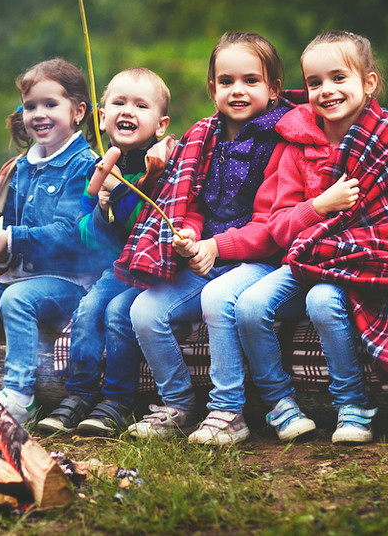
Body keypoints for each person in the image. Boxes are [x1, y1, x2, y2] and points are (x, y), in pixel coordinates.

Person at [116, 32, 293, 439]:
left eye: (251, 81)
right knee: (145, 311)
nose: (238, 90)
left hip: (260, 263)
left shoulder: (282, 140)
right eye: (227, 81)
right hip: (206, 259)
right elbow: (191, 201)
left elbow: (272, 224)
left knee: (217, 299)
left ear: (274, 88)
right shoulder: (204, 137)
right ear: (213, 89)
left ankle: (229, 410)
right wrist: (190, 236)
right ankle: (177, 403)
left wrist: (217, 247)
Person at [233, 30, 386, 445]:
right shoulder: (295, 146)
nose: (326, 90)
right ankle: (280, 402)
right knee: (249, 306)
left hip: (358, 265)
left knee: (322, 300)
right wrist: (318, 206)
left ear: (368, 83)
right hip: (302, 262)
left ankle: (352, 403)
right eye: (315, 82)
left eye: (339, 78)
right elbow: (278, 225)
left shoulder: (382, 143)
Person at [35, 67, 172, 436]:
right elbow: (85, 235)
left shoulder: (163, 166)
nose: (128, 111)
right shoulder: (99, 166)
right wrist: (101, 207)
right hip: (115, 269)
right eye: (119, 102)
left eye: (141, 105)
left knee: (115, 313)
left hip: (152, 271)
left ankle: (117, 400)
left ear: (160, 124)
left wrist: (124, 194)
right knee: (89, 309)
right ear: (101, 114)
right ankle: (78, 394)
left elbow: (151, 223)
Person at [0, 57, 102, 425]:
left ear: (78, 111)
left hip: (69, 281)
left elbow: (71, 233)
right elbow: (10, 224)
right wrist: (2, 252)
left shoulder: (85, 164)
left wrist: (14, 240)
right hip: (23, 275)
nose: (39, 114)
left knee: (17, 300)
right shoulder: (22, 168)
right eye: (30, 106)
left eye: (51, 104)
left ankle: (20, 396)